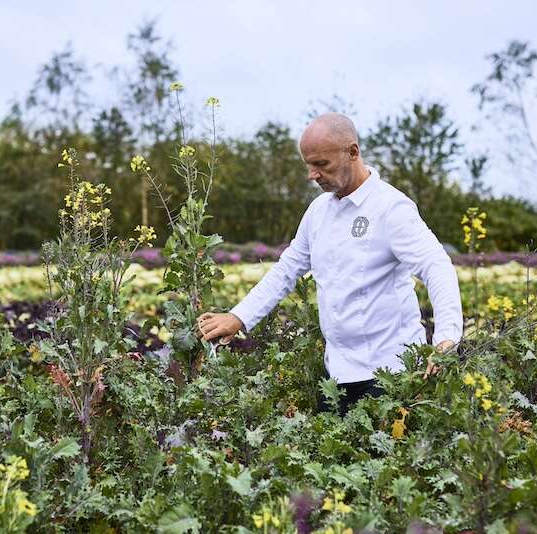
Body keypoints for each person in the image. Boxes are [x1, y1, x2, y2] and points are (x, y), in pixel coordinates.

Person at [197, 112, 463, 414]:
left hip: (390, 374)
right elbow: (286, 270)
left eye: (321, 164)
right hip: (336, 375)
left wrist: (446, 338)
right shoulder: (318, 211)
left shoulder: (391, 208)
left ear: (352, 152)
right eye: (308, 165)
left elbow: (436, 265)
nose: (312, 174)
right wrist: (238, 317)